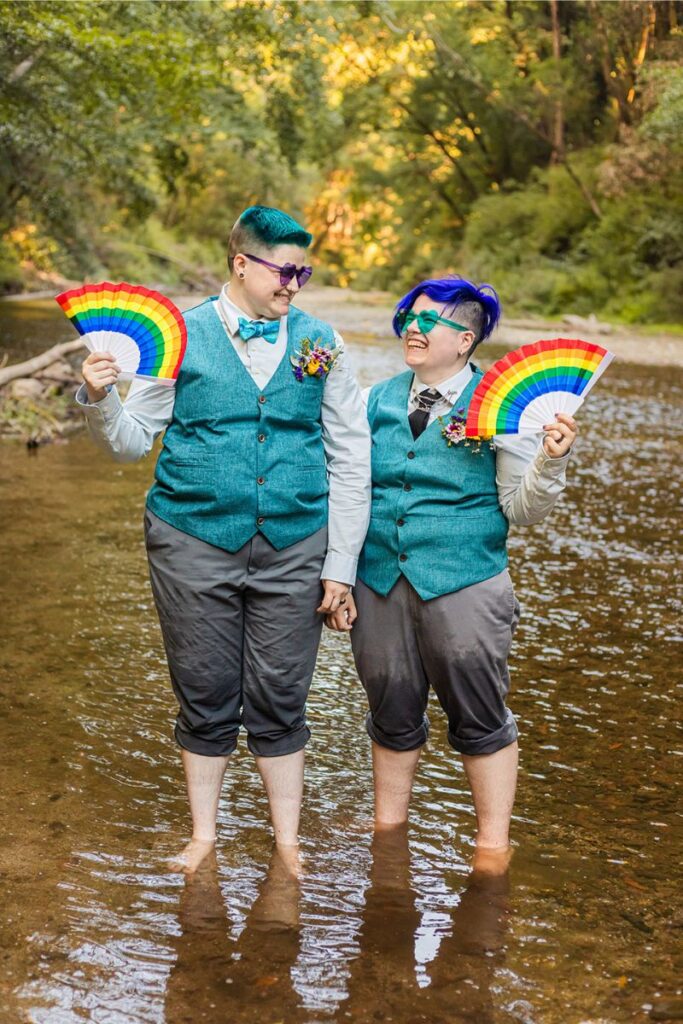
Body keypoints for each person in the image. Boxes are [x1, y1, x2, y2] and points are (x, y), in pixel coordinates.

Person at [76, 205, 371, 873]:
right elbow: (130, 444)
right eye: (284, 270)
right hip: (191, 539)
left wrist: (341, 566)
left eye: (305, 272)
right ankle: (203, 837)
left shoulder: (322, 341)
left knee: (280, 690)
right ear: (241, 263)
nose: (295, 283)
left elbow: (352, 456)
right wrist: (99, 399)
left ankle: (288, 845)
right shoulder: (178, 334)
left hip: (296, 542)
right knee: (205, 687)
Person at [327, 276, 576, 860]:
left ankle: (493, 846)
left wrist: (550, 462)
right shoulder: (375, 400)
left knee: (479, 712)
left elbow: (523, 508)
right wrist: (338, 574)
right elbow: (349, 489)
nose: (412, 328)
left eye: (428, 321)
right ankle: (388, 832)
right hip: (379, 579)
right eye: (409, 318)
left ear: (465, 339)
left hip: (466, 582)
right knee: (389, 703)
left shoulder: (503, 406)